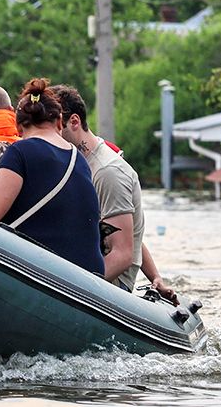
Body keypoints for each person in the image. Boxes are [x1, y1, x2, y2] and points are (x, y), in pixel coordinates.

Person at [52, 84, 178, 303]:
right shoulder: (77, 163)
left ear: (74, 122)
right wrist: (155, 276)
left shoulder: (107, 173)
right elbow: (121, 233)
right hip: (89, 264)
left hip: (111, 284)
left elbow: (122, 254)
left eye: (53, 128)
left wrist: (73, 292)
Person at [0, 78, 105, 276]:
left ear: (18, 127)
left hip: (47, 275)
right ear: (60, 122)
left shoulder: (20, 151)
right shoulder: (78, 159)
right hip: (89, 278)